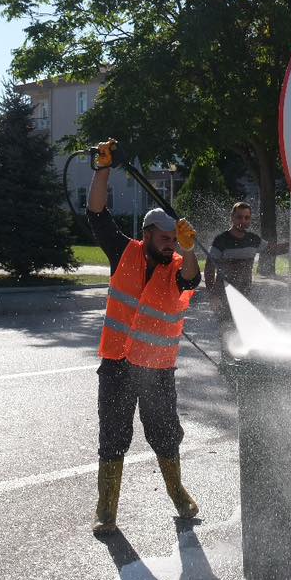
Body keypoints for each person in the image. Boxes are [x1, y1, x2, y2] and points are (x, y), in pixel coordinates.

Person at [86, 139, 202, 536]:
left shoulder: (177, 267)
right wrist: (103, 169)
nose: (171, 243)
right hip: (117, 364)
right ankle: (106, 509)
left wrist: (189, 250)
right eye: (166, 237)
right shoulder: (125, 252)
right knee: (113, 435)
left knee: (165, 434)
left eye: (176, 238)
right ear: (148, 233)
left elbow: (193, 277)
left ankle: (177, 492)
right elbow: (97, 213)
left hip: (156, 370)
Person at [204, 202, 265, 326]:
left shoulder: (253, 239)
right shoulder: (221, 240)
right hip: (224, 298)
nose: (243, 220)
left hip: (245, 296)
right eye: (239, 217)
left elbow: (274, 250)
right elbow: (209, 268)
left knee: (244, 334)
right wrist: (212, 295)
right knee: (227, 336)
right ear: (232, 217)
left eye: (246, 217)